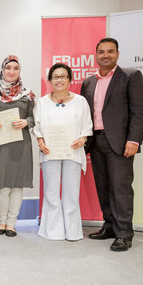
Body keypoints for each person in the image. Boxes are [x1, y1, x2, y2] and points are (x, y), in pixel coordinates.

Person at [80, 38, 143, 251]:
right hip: (96, 141)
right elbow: (84, 115)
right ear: (96, 55)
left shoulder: (130, 76)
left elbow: (139, 111)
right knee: (103, 187)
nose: (106, 55)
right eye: (101, 52)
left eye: (110, 51)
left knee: (121, 189)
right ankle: (109, 226)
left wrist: (134, 139)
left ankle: (124, 234)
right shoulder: (88, 82)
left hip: (120, 143)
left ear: (118, 54)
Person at [34, 63, 93, 241]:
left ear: (70, 79)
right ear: (50, 80)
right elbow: (37, 127)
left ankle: (73, 231)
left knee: (71, 193)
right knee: (51, 193)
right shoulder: (42, 102)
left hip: (72, 153)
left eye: (63, 76)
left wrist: (82, 139)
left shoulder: (80, 101)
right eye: (55, 77)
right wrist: (40, 141)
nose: (59, 80)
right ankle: (53, 231)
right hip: (50, 152)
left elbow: (87, 126)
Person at [0, 55, 35, 237]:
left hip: (20, 144)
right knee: (2, 185)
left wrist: (26, 122)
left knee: (17, 185)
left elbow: (35, 117)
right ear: (2, 70)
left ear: (19, 71)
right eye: (8, 68)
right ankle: (1, 223)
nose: (11, 72)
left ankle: (12, 224)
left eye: (16, 68)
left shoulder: (28, 94)